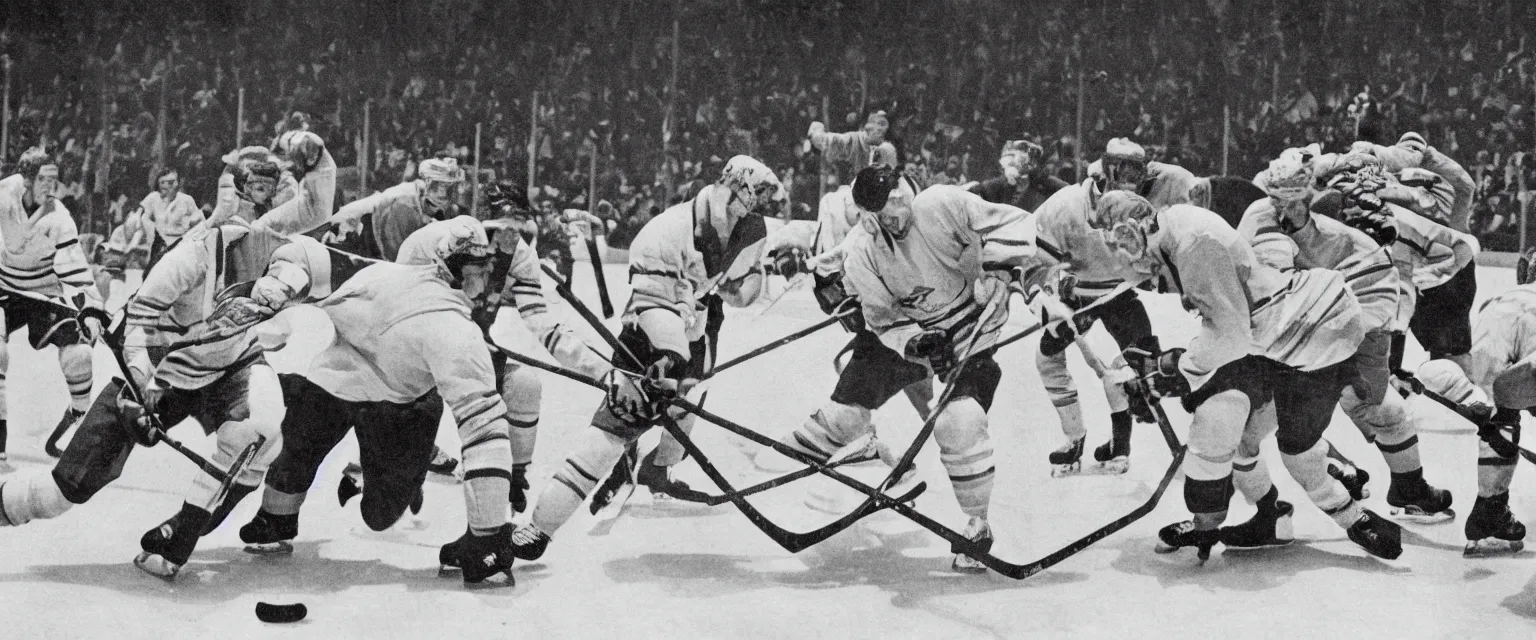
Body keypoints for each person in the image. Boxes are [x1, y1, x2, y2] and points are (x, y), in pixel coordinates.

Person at [0, 130, 336, 579]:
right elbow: (134, 326)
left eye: (273, 201)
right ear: (234, 200)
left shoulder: (266, 234)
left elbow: (318, 205)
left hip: (233, 365)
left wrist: (317, 157)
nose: (269, 219)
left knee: (262, 431)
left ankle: (181, 533)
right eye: (256, 201)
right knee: (63, 491)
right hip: (164, 374)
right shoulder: (189, 257)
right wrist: (141, 390)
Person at [1087, 190, 1403, 559]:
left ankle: (1356, 518)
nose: (1123, 252)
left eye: (1122, 238)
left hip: (1309, 336)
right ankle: (1270, 517)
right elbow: (1227, 315)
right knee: (1242, 437)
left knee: (1294, 452)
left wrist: (1174, 369)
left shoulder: (1192, 245)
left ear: (1139, 224)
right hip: (1289, 334)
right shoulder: (1175, 226)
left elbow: (1229, 336)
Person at [761, 166, 1046, 572]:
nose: (895, 214)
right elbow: (882, 320)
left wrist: (1000, 269)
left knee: (959, 422)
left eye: (897, 200)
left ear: (903, 189)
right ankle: (817, 460)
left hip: (971, 331)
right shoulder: (861, 248)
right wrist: (915, 342)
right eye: (882, 211)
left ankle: (977, 525)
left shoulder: (941, 202)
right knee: (843, 417)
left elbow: (1015, 221)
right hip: (910, 338)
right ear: (865, 213)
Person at [508, 156, 785, 562]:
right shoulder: (666, 232)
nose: (759, 205)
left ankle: (656, 467)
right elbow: (651, 304)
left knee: (688, 403)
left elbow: (740, 283)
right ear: (734, 186)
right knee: (614, 428)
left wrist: (751, 282)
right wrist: (670, 356)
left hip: (697, 328)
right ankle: (539, 527)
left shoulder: (751, 229)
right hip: (648, 334)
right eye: (756, 195)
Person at [238, 216, 522, 586]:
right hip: (346, 386)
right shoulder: (448, 326)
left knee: (380, 515)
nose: (481, 283)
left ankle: (395, 470)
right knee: (302, 429)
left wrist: (279, 282)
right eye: (475, 270)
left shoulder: (384, 281)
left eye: (482, 270)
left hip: (400, 407)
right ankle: (277, 516)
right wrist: (487, 537)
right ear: (446, 266)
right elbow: (486, 433)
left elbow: (303, 255)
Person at [1241, 146, 1453, 523]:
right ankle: (1283, 497)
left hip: (1340, 316)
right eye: (1277, 198)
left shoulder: (1367, 252)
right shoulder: (1267, 212)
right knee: (1252, 424)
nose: (1282, 208)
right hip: (1282, 326)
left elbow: (1371, 324)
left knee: (1373, 403)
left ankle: (1401, 484)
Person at [1029, 137, 1193, 476]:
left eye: (1138, 170)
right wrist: (1054, 286)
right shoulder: (1066, 204)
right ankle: (1074, 436)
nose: (1132, 179)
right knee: (1047, 360)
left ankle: (1121, 446)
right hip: (1078, 298)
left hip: (1119, 294)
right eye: (1124, 169)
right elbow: (1037, 259)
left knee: (1129, 367)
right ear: (1106, 170)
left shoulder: (1141, 202)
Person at [0, 148, 106, 459]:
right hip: (3, 285)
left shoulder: (60, 217)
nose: (50, 186)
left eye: (54, 180)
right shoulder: (4, 194)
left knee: (80, 355)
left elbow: (75, 268)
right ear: (26, 179)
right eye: (43, 180)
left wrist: (91, 311)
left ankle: (75, 427)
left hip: (44, 289)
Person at [327, 156, 466, 260]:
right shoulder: (404, 204)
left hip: (367, 250)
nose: (445, 193)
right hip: (343, 245)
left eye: (450, 188)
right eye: (442, 187)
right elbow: (396, 258)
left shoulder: (423, 201)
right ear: (428, 182)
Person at [968, 139, 1069, 213]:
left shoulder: (1047, 186)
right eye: (1009, 161)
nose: (1011, 164)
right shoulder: (991, 187)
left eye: (1017, 161)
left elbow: (1070, 193)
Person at [140, 168, 202, 269]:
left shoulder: (186, 200)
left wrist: (190, 225)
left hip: (180, 244)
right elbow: (144, 217)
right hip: (159, 244)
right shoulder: (153, 198)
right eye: (164, 183)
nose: (170, 186)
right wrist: (150, 231)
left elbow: (199, 220)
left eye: (172, 182)